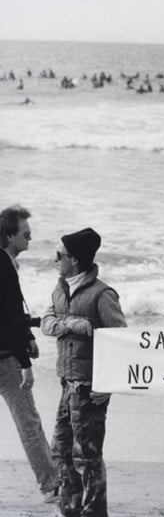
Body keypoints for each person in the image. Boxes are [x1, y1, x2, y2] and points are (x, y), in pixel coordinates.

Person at [41, 227, 127, 517]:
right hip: (66, 384)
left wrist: (108, 385)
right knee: (60, 450)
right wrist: (72, 325)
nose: (55, 260)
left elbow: (121, 342)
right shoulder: (60, 288)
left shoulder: (102, 295)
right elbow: (46, 323)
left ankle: (94, 510)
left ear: (74, 260)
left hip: (91, 388)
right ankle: (72, 504)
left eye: (59, 256)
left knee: (87, 455)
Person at [0, 205, 60, 504]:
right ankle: (50, 486)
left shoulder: (5, 262)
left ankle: (50, 482)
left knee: (29, 423)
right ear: (9, 235)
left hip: (8, 348)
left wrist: (28, 334)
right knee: (29, 424)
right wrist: (25, 363)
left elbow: (10, 314)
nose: (30, 239)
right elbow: (7, 317)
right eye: (26, 234)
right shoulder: (4, 266)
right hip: (5, 358)